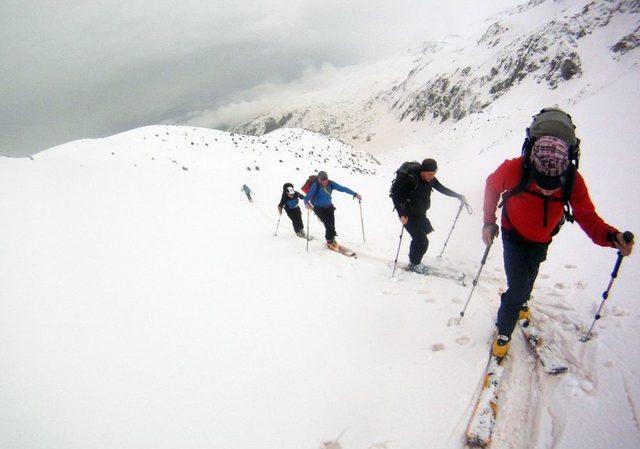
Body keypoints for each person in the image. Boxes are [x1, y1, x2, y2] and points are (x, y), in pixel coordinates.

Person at [482, 108, 634, 358]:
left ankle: (522, 303)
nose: (547, 192)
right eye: (542, 186)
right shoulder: (514, 169)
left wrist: (612, 237)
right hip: (513, 234)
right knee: (517, 287)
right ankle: (503, 332)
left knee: (531, 274)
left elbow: (588, 218)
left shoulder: (572, 180)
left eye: (552, 189)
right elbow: (490, 185)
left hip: (543, 238)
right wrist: (488, 222)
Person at [390, 158, 466, 274]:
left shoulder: (430, 179)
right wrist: (401, 214)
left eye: (434, 174)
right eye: (430, 174)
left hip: (420, 214)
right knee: (422, 241)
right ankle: (414, 264)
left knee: (423, 234)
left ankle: (414, 258)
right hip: (408, 215)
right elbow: (396, 197)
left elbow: (441, 188)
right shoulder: (411, 180)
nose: (432, 177)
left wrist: (457, 196)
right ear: (423, 171)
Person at [304, 170, 361, 249]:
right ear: (319, 180)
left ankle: (332, 238)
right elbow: (306, 197)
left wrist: (354, 194)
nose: (324, 182)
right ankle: (329, 241)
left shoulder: (331, 184)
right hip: (319, 209)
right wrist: (306, 204)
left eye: (326, 180)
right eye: (322, 181)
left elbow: (342, 188)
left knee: (332, 224)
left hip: (329, 207)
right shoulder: (315, 186)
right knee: (328, 225)